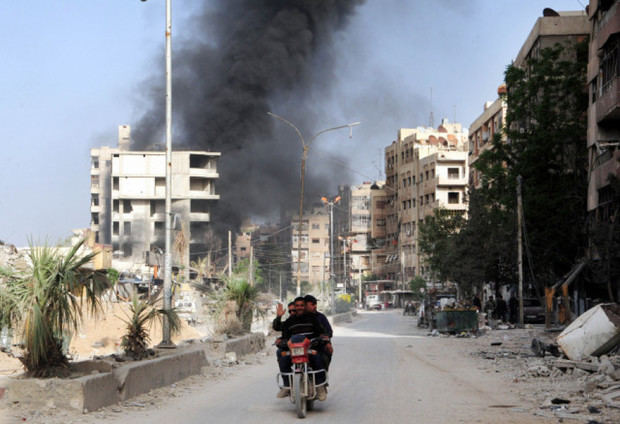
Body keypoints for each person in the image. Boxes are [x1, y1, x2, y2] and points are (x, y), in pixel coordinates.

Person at [276, 297, 328, 400]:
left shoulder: (313, 319)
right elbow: (281, 331)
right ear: (294, 307)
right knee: (280, 354)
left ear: (305, 306)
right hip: (294, 350)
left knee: (318, 358)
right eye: (297, 306)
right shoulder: (290, 321)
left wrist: (321, 339)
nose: (299, 308)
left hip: (309, 349)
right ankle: (287, 385)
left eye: (301, 305)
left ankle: (320, 387)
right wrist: (278, 317)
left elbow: (321, 332)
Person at [304, 294, 333, 370]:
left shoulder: (320, 317)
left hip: (316, 345)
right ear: (305, 305)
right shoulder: (297, 317)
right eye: (312, 304)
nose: (315, 306)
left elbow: (329, 331)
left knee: (324, 355)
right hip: (299, 347)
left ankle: (322, 377)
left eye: (315, 304)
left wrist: (326, 339)